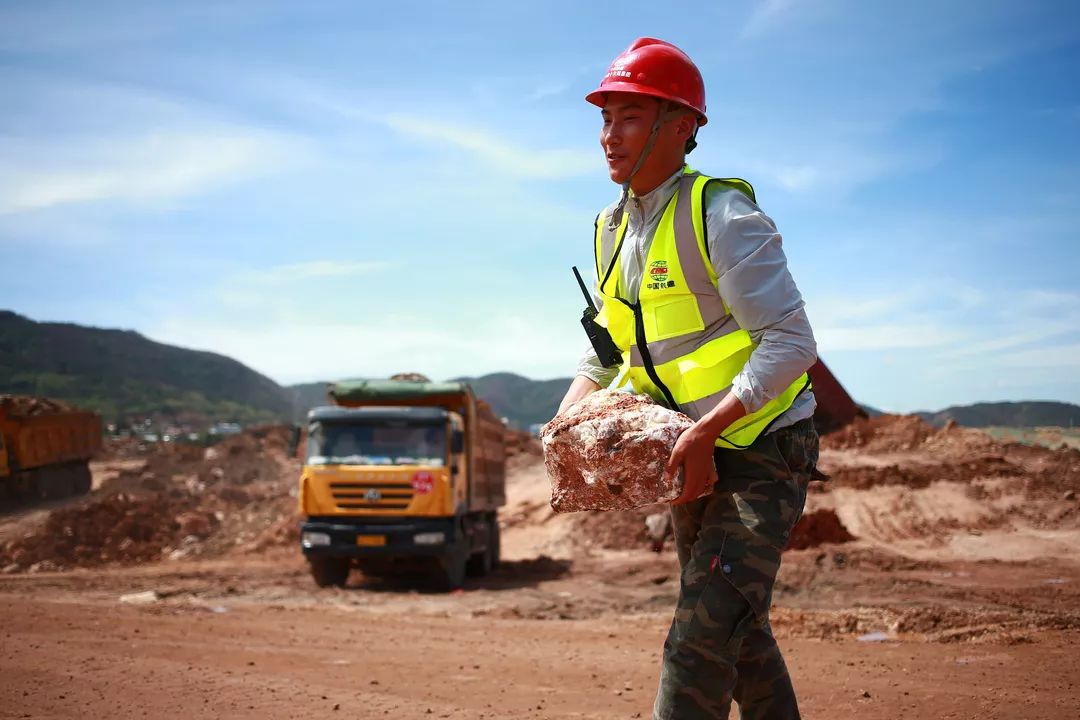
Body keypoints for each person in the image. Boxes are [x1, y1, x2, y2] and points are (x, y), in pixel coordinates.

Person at [557, 38, 820, 720]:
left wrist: (708, 432)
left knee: (698, 640)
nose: (610, 136)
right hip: (689, 457)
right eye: (605, 118)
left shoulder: (721, 216)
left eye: (630, 118)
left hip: (762, 448)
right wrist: (564, 426)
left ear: (682, 126)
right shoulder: (609, 229)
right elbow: (607, 355)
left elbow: (792, 342)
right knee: (738, 632)